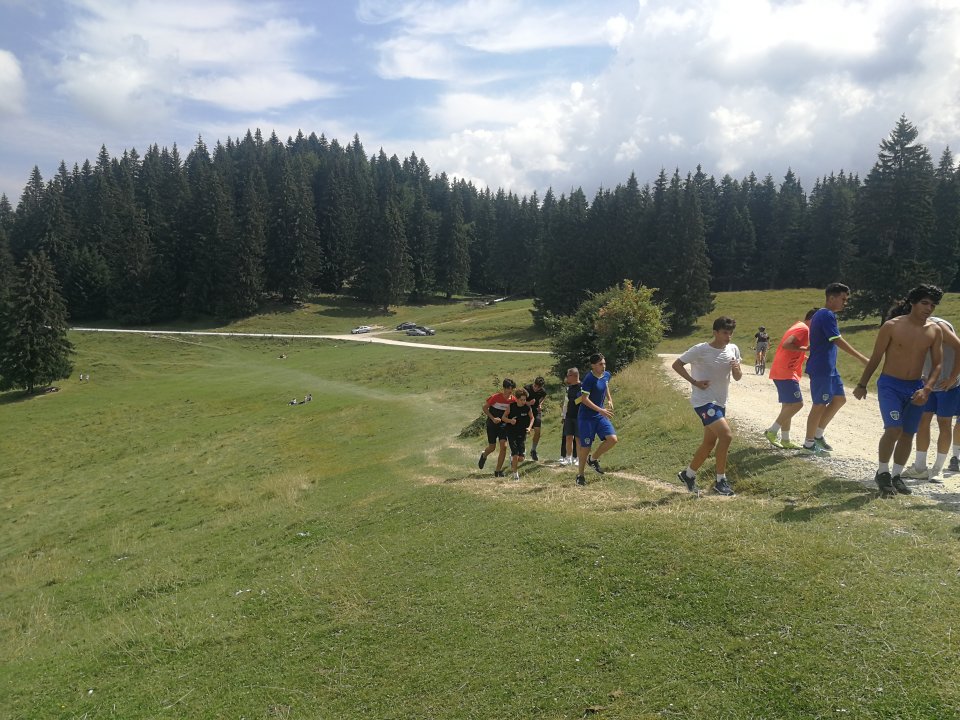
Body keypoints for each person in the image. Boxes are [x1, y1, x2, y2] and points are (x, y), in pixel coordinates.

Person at [853, 285, 944, 496]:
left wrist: (927, 389)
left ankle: (896, 476)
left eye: (932, 305)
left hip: (916, 387)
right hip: (890, 385)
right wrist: (862, 384)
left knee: (908, 433)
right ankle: (883, 472)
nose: (929, 308)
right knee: (893, 429)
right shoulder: (892, 326)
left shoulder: (935, 330)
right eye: (924, 303)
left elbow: (938, 364)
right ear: (912, 303)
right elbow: (876, 357)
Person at [672, 316, 743, 496]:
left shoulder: (733, 349)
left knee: (709, 442)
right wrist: (694, 382)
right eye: (725, 333)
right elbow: (677, 364)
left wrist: (736, 369)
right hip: (703, 401)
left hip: (720, 402)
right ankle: (720, 481)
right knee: (726, 436)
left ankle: (688, 475)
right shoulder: (701, 349)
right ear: (715, 332)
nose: (728, 337)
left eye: (731, 333)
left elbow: (738, 377)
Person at [802, 283, 869, 454]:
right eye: (843, 299)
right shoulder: (826, 314)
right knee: (819, 404)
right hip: (822, 367)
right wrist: (861, 358)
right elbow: (836, 339)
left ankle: (817, 435)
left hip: (830, 367)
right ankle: (808, 444)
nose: (845, 303)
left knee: (839, 399)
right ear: (831, 298)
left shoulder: (825, 314)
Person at [902, 315, 960, 483]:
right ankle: (920, 468)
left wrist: (953, 377)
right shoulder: (910, 328)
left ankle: (938, 469)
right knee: (922, 421)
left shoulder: (938, 325)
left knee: (944, 423)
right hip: (928, 383)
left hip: (947, 385)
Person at [764, 309, 818, 449]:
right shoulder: (804, 329)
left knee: (788, 406)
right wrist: (806, 349)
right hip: (786, 372)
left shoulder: (799, 326)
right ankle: (772, 431)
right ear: (813, 319)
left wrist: (804, 356)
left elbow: (791, 348)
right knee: (797, 404)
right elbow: (787, 344)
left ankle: (785, 440)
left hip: (781, 371)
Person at [575, 354, 618, 486]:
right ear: (593, 366)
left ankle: (593, 459)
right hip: (586, 417)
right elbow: (584, 399)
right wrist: (601, 410)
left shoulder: (606, 375)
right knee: (586, 447)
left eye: (604, 363)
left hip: (599, 415)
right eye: (600, 364)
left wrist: (609, 399)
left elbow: (606, 385)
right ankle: (580, 475)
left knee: (612, 439)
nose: (603, 366)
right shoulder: (589, 379)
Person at [479, 378, 517, 478]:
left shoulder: (513, 400)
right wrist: (493, 418)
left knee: (504, 447)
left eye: (512, 388)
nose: (510, 390)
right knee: (492, 447)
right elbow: (484, 408)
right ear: (504, 388)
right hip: (492, 424)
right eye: (508, 388)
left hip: (503, 425)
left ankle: (498, 471)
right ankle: (484, 455)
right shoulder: (495, 397)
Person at [504, 387, 535, 480]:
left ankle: (513, 458)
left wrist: (529, 427)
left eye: (525, 400)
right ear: (516, 399)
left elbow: (532, 418)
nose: (523, 401)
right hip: (511, 432)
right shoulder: (511, 406)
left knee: (521, 458)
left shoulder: (527, 407)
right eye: (521, 400)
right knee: (516, 454)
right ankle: (515, 475)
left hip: (522, 433)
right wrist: (510, 421)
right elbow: (503, 417)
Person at [558, 367, 581, 465]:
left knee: (578, 438)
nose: (567, 377)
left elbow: (584, 399)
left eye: (568, 375)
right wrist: (564, 415)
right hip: (569, 416)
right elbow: (566, 402)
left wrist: (575, 401)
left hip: (579, 416)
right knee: (568, 437)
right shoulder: (569, 388)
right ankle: (568, 458)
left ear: (574, 375)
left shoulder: (582, 387)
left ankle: (579, 458)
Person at [523, 377, 548, 460]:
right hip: (526, 411)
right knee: (524, 430)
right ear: (533, 383)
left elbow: (544, 397)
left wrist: (540, 404)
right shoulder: (526, 388)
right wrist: (528, 403)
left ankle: (533, 450)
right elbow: (519, 400)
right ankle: (522, 449)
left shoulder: (543, 391)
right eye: (535, 386)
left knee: (537, 430)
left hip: (536, 411)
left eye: (538, 387)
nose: (536, 388)